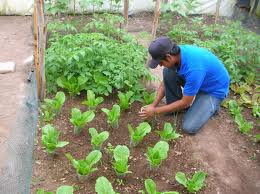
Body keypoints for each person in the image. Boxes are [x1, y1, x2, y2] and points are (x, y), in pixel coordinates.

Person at [139, 36, 230, 134]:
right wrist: (153, 105)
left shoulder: (193, 69)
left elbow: (186, 102)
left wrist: (155, 111)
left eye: (160, 62)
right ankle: (177, 109)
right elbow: (164, 82)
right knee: (168, 72)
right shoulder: (177, 54)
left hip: (213, 90)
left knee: (189, 127)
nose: (160, 65)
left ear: (169, 57)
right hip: (200, 80)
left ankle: (212, 106)